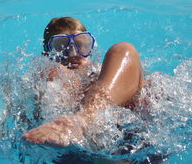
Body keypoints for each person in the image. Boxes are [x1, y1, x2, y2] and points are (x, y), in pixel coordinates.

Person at [22, 16, 145, 147]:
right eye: (61, 47)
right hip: (70, 151)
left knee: (123, 49)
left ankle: (83, 121)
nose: (73, 53)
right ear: (47, 54)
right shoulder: (47, 78)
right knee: (55, 70)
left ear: (90, 48)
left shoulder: (103, 74)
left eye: (81, 45)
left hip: (127, 143)